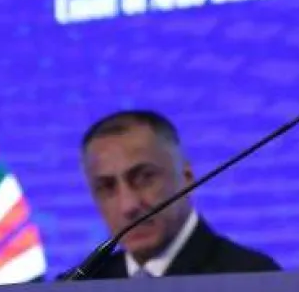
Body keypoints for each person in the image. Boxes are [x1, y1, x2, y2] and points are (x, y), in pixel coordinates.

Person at [78, 110, 281, 278]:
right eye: (106, 187)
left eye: (144, 178)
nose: (128, 206)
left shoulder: (251, 278)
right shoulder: (79, 291)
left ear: (187, 178)